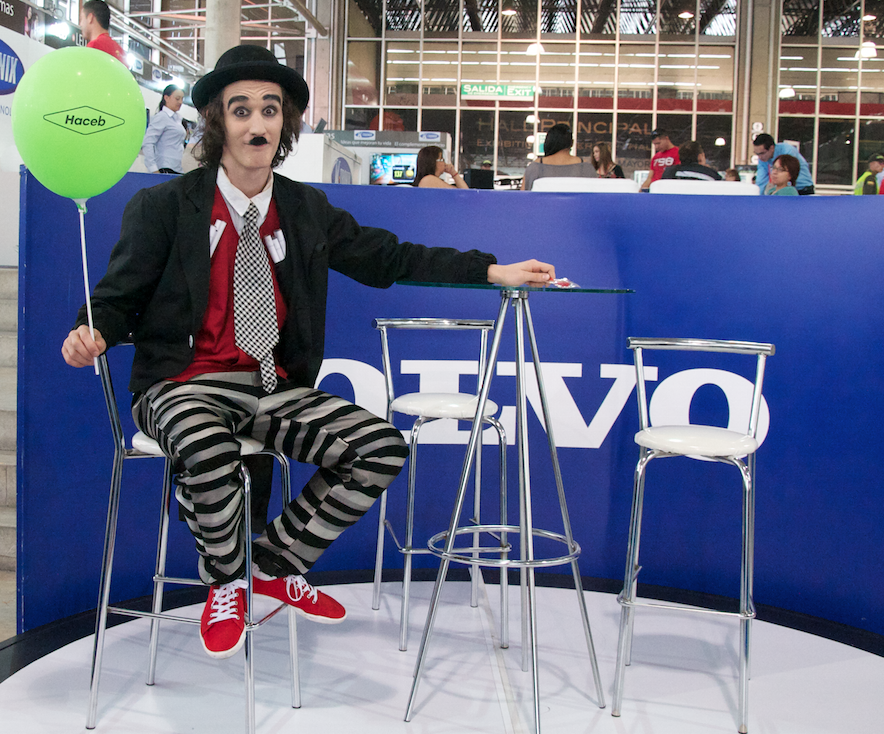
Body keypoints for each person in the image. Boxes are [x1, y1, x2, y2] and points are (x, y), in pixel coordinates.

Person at [61, 44, 555, 660]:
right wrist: (92, 332)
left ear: (285, 124)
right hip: (180, 385)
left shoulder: (305, 209)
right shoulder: (164, 206)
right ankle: (226, 583)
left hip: (273, 389)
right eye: (241, 110)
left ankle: (272, 563)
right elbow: (116, 298)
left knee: (379, 447)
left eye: (270, 110)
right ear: (218, 122)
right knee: (205, 443)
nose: (257, 124)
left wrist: (489, 270)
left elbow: (389, 257)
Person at [521, 124, 596, 191]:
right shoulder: (586, 167)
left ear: (548, 142)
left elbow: (523, 197)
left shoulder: (535, 167)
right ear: (572, 143)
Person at [141, 84, 187, 174]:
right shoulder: (162, 117)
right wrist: (153, 168)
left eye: (182, 99)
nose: (180, 102)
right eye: (177, 98)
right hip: (165, 167)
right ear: (166, 98)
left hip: (177, 168)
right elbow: (148, 142)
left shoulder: (178, 119)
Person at [79, 0, 126, 65]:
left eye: (81, 19)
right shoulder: (120, 51)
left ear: (90, 17)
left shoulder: (94, 47)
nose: (80, 24)